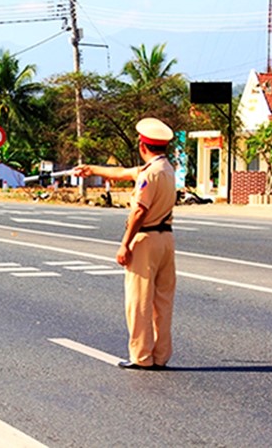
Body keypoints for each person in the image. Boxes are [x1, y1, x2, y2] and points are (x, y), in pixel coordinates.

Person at [73, 117, 177, 370]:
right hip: (166, 239)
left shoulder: (149, 174)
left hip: (146, 239)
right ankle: (161, 356)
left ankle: (141, 357)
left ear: (142, 145)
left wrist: (124, 244)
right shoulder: (166, 169)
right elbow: (120, 173)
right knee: (163, 301)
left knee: (139, 300)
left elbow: (139, 212)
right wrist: (92, 169)